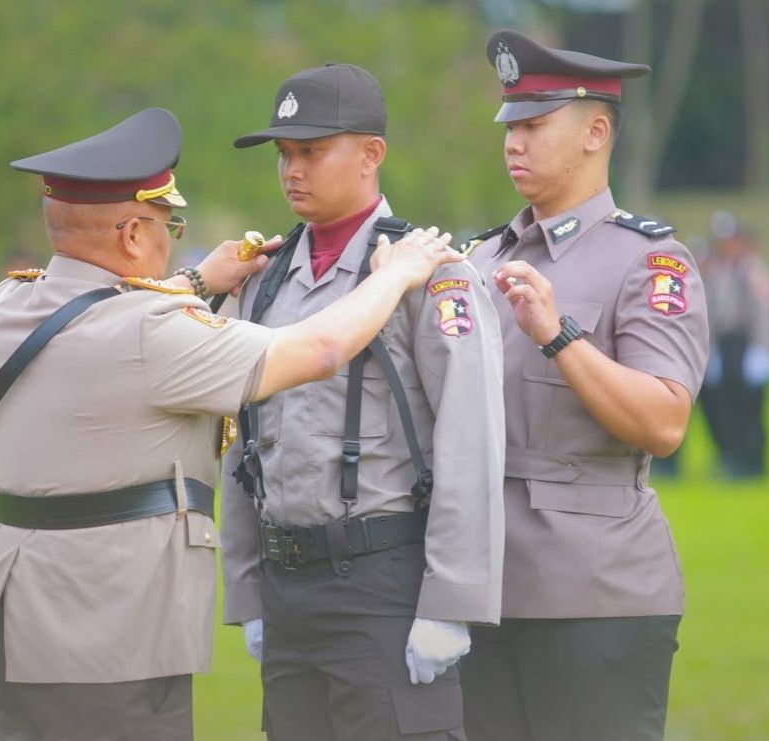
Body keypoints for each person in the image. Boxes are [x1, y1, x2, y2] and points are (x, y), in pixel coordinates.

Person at [0, 106, 461, 741]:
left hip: (9, 620)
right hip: (107, 633)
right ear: (134, 235)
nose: (173, 236)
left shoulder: (1, 306)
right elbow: (321, 352)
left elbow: (103, 321)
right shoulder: (151, 330)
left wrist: (194, 281)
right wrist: (392, 278)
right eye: (169, 223)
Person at [222, 63, 505, 741]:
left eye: (312, 151)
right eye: (285, 154)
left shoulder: (425, 273)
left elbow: (471, 439)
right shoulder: (264, 278)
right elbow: (244, 439)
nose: (292, 169)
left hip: (384, 583)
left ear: (371, 154)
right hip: (288, 583)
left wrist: (451, 601)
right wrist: (247, 587)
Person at [461, 30, 710, 741]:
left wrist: (559, 334)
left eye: (534, 126)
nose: (513, 142)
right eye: (510, 125)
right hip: (479, 586)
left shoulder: (650, 261)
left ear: (596, 132)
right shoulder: (480, 258)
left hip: (594, 595)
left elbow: (663, 421)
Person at [698, 212, 769, 478]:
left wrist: (762, 348)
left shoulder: (752, 269)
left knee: (750, 406)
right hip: (727, 343)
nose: (727, 245)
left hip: (747, 341)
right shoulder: (721, 268)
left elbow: (764, 310)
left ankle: (753, 461)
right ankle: (734, 458)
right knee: (728, 404)